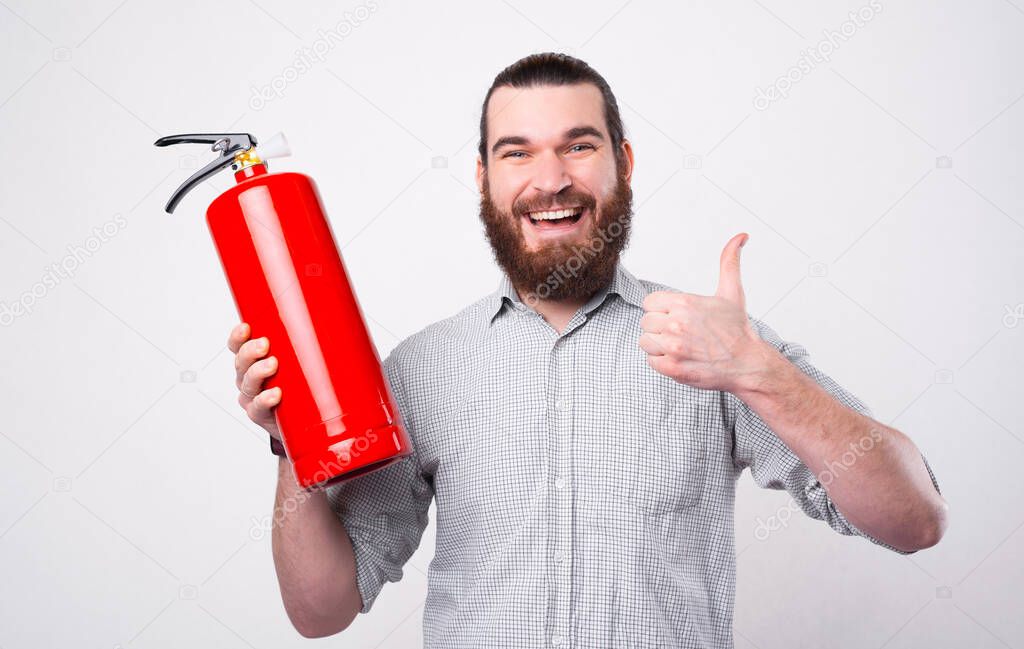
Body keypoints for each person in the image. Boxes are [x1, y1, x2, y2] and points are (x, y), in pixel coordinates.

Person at [227, 52, 947, 648]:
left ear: (622, 162)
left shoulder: (719, 345)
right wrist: (295, 447)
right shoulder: (422, 369)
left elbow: (914, 519)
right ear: (484, 178)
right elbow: (321, 610)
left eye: (579, 144)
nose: (551, 179)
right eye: (518, 153)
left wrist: (761, 372)